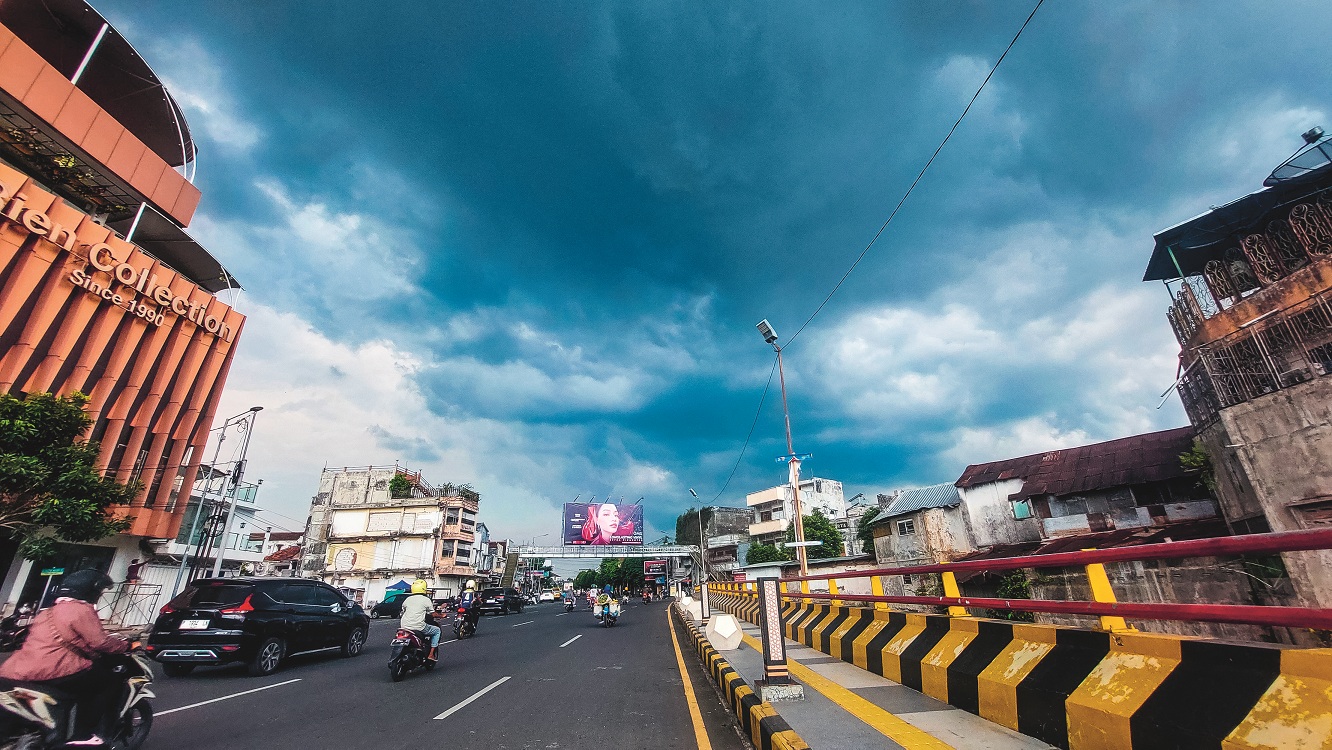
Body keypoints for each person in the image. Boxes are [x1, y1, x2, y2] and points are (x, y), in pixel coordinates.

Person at [0, 569, 130, 746]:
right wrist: (126, 645)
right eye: (99, 592)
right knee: (108, 683)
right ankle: (83, 735)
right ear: (90, 591)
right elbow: (100, 642)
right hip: (55, 670)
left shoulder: (47, 612)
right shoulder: (81, 610)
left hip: (15, 670)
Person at [399, 580, 440, 663]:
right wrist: (441, 615)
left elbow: (403, 611)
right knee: (437, 631)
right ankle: (431, 654)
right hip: (418, 626)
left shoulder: (407, 599)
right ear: (423, 588)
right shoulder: (426, 599)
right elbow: (433, 614)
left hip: (404, 626)